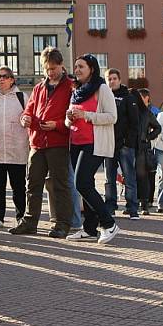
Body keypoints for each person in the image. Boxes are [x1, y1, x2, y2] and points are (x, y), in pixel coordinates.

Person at [10, 47, 73, 238]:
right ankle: (30, 222)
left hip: (58, 143)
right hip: (37, 143)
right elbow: (28, 110)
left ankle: (62, 224)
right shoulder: (38, 88)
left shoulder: (70, 87)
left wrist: (57, 125)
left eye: (53, 68)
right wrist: (25, 119)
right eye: (46, 69)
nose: (50, 72)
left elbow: (74, 118)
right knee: (32, 184)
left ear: (61, 65)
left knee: (59, 185)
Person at [64, 54, 120, 243]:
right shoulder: (76, 90)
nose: (77, 70)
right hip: (76, 142)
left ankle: (109, 223)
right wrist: (69, 117)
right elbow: (69, 118)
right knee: (85, 185)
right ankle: (89, 229)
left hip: (94, 143)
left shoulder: (102, 88)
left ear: (92, 69)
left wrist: (86, 114)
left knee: (82, 183)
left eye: (81, 66)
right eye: (76, 66)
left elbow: (112, 117)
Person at [0, 66, 29, 228]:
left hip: (17, 148)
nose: (1, 79)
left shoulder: (22, 97)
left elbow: (29, 116)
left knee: (18, 186)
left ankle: (21, 216)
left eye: (5, 76)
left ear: (12, 79)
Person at [102, 68, 139, 219]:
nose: (112, 81)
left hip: (124, 145)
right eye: (109, 79)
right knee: (109, 179)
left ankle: (132, 207)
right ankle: (110, 205)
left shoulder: (128, 98)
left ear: (119, 80)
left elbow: (134, 123)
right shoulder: (103, 98)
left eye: (114, 78)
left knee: (129, 177)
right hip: (108, 144)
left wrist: (127, 142)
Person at [134, 88, 161, 214]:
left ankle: (144, 204)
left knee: (142, 176)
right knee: (130, 176)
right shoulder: (128, 111)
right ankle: (132, 204)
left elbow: (157, 128)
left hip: (142, 148)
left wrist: (147, 138)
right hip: (128, 147)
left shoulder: (146, 113)